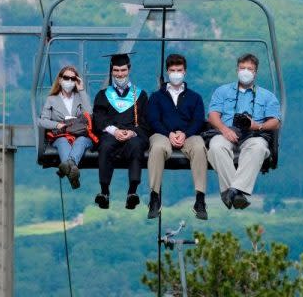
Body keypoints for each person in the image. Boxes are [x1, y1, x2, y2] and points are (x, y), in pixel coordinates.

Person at [206, 53, 281, 210]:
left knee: (259, 147)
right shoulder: (222, 91)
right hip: (226, 133)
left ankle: (230, 191)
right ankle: (237, 192)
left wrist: (257, 126)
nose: (245, 71)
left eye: (249, 69)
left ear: (255, 72)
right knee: (216, 147)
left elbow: (275, 121)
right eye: (242, 68)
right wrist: (224, 130)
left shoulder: (267, 96)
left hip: (253, 134)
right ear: (237, 70)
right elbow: (213, 115)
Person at [145, 53, 208, 220]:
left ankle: (200, 199)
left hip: (188, 134)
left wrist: (185, 133)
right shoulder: (157, 97)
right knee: (157, 147)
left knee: (200, 147)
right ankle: (154, 196)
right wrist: (169, 134)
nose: (176, 73)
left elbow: (198, 119)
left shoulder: (195, 97)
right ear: (167, 72)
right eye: (172, 70)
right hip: (163, 134)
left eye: (179, 70)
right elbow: (153, 119)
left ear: (185, 72)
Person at [92, 53, 149, 210]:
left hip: (133, 134)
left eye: (123, 70)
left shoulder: (140, 95)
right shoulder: (103, 95)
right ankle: (104, 192)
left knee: (136, 145)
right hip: (111, 133)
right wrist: (115, 131)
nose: (119, 74)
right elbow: (99, 119)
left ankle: (132, 192)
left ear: (129, 70)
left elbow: (145, 121)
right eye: (116, 70)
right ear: (111, 71)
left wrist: (132, 132)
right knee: (105, 146)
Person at [38, 65, 96, 189]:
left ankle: (66, 166)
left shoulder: (81, 97)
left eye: (72, 78)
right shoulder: (51, 100)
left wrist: (81, 90)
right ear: (60, 80)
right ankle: (72, 170)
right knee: (63, 142)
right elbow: (43, 121)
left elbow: (89, 114)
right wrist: (58, 124)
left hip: (81, 134)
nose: (69, 81)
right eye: (66, 78)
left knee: (81, 141)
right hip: (61, 134)